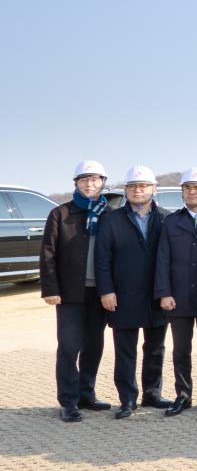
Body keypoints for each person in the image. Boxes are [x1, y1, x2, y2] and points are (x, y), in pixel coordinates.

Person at [94, 165, 171, 418]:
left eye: (144, 185)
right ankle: (127, 399)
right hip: (122, 295)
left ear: (153, 189)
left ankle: (152, 394)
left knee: (155, 348)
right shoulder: (112, 219)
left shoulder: (166, 218)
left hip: (156, 295)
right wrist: (106, 290)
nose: (138, 190)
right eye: (132, 186)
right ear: (125, 190)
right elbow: (102, 259)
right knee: (125, 350)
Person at [40, 160, 113, 421]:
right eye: (84, 180)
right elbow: (48, 254)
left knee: (94, 345)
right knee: (69, 347)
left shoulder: (109, 214)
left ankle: (86, 394)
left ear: (103, 182)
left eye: (95, 179)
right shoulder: (60, 214)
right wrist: (50, 288)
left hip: (100, 293)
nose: (89, 184)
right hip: (69, 293)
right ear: (76, 184)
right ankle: (68, 401)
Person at [155, 167, 197, 417]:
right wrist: (164, 293)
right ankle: (183, 395)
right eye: (187, 188)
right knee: (180, 350)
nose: (192, 192)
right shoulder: (171, 221)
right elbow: (162, 260)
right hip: (177, 297)